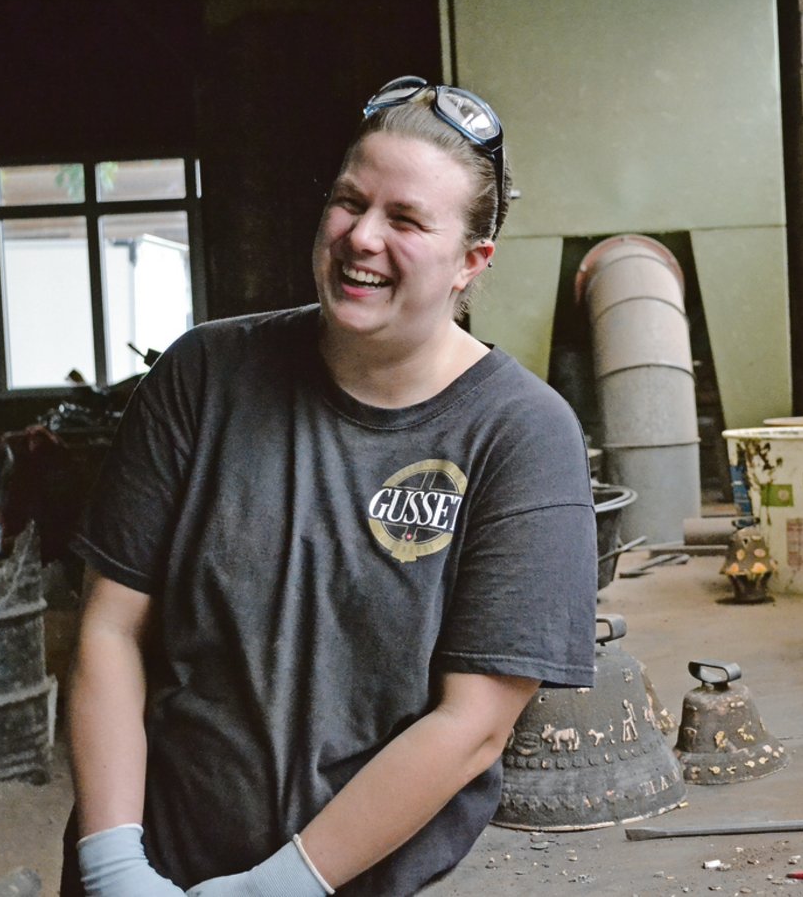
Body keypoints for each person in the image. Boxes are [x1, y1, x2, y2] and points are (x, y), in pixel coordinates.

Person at [62, 76, 599, 896]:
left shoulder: (521, 435)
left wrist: (273, 888)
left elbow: (474, 725)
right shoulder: (204, 375)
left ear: (470, 262)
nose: (361, 238)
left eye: (407, 220)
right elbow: (109, 629)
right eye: (350, 202)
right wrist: (112, 866)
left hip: (350, 883)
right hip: (150, 858)